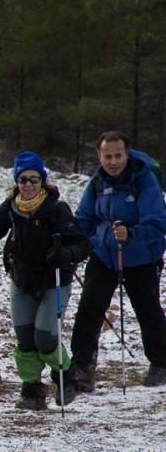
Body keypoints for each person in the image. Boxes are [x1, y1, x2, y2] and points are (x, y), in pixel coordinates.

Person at [0, 152, 90, 409]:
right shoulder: (11, 208)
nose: (28, 184)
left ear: (42, 180)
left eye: (33, 179)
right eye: (23, 179)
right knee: (25, 338)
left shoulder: (56, 209)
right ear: (17, 181)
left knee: (45, 337)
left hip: (54, 282)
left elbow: (82, 244)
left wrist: (65, 254)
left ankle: (65, 378)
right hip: (21, 280)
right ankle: (32, 392)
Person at [69, 131, 166, 390]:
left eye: (118, 155)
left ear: (127, 154)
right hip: (103, 253)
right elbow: (83, 217)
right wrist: (83, 241)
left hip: (142, 255)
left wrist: (131, 233)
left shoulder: (144, 179)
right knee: (90, 307)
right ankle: (82, 368)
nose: (113, 161)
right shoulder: (97, 182)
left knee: (147, 309)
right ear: (99, 156)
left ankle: (161, 363)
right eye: (107, 156)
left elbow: (157, 222)